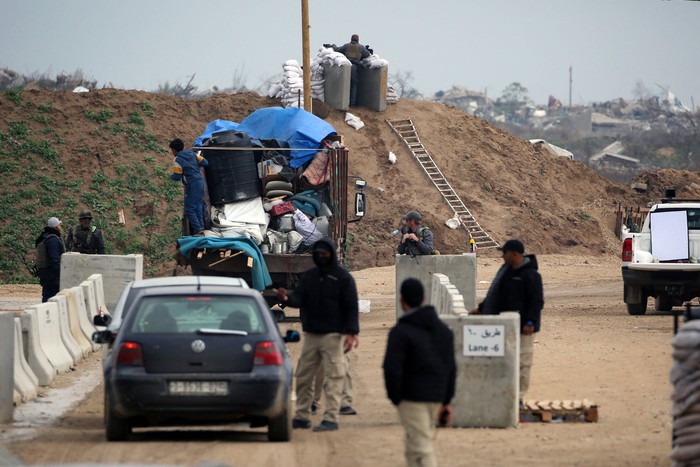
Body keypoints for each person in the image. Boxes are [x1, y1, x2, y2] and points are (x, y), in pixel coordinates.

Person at [275, 238, 359, 432]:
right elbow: (299, 298)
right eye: (318, 254)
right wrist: (286, 298)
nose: (321, 257)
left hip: (334, 336)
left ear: (332, 255)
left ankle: (331, 417)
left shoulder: (343, 279)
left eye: (325, 254)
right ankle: (302, 415)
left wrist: (352, 332)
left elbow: (351, 307)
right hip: (311, 335)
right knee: (303, 375)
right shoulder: (309, 277)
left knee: (334, 376)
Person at [383, 278, 456, 467]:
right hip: (437, 397)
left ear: (402, 301)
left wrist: (396, 397)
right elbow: (451, 368)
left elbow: (391, 369)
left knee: (422, 447)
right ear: (424, 298)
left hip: (412, 398)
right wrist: (447, 401)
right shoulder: (443, 330)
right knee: (413, 445)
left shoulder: (400, 332)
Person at [470, 239, 544, 402]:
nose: (502, 256)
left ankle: (519, 397)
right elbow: (496, 295)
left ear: (514, 254)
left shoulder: (531, 275)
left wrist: (530, 322)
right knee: (505, 360)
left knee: (523, 362)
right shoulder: (507, 271)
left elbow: (536, 301)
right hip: (504, 324)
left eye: (505, 253)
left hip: (525, 327)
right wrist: (482, 308)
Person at [169, 138, 209, 235]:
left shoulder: (177, 159)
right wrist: (195, 168)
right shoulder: (192, 154)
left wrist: (170, 176)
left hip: (192, 185)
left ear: (174, 150)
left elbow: (177, 176)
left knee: (189, 209)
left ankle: (199, 230)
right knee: (198, 206)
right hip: (200, 182)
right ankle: (201, 228)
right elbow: (205, 162)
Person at [328, 34, 371, 107]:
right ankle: (352, 104)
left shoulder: (346, 46)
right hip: (354, 67)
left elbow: (338, 50)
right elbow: (367, 54)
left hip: (345, 67)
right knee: (354, 84)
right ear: (358, 40)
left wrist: (333, 46)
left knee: (344, 85)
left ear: (351, 39)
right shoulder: (361, 47)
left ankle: (344, 103)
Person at [35, 217, 66, 303]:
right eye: (59, 225)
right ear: (56, 227)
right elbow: (55, 259)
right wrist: (59, 274)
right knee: (51, 297)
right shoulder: (53, 239)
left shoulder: (45, 237)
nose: (61, 227)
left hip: (46, 274)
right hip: (52, 275)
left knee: (47, 295)